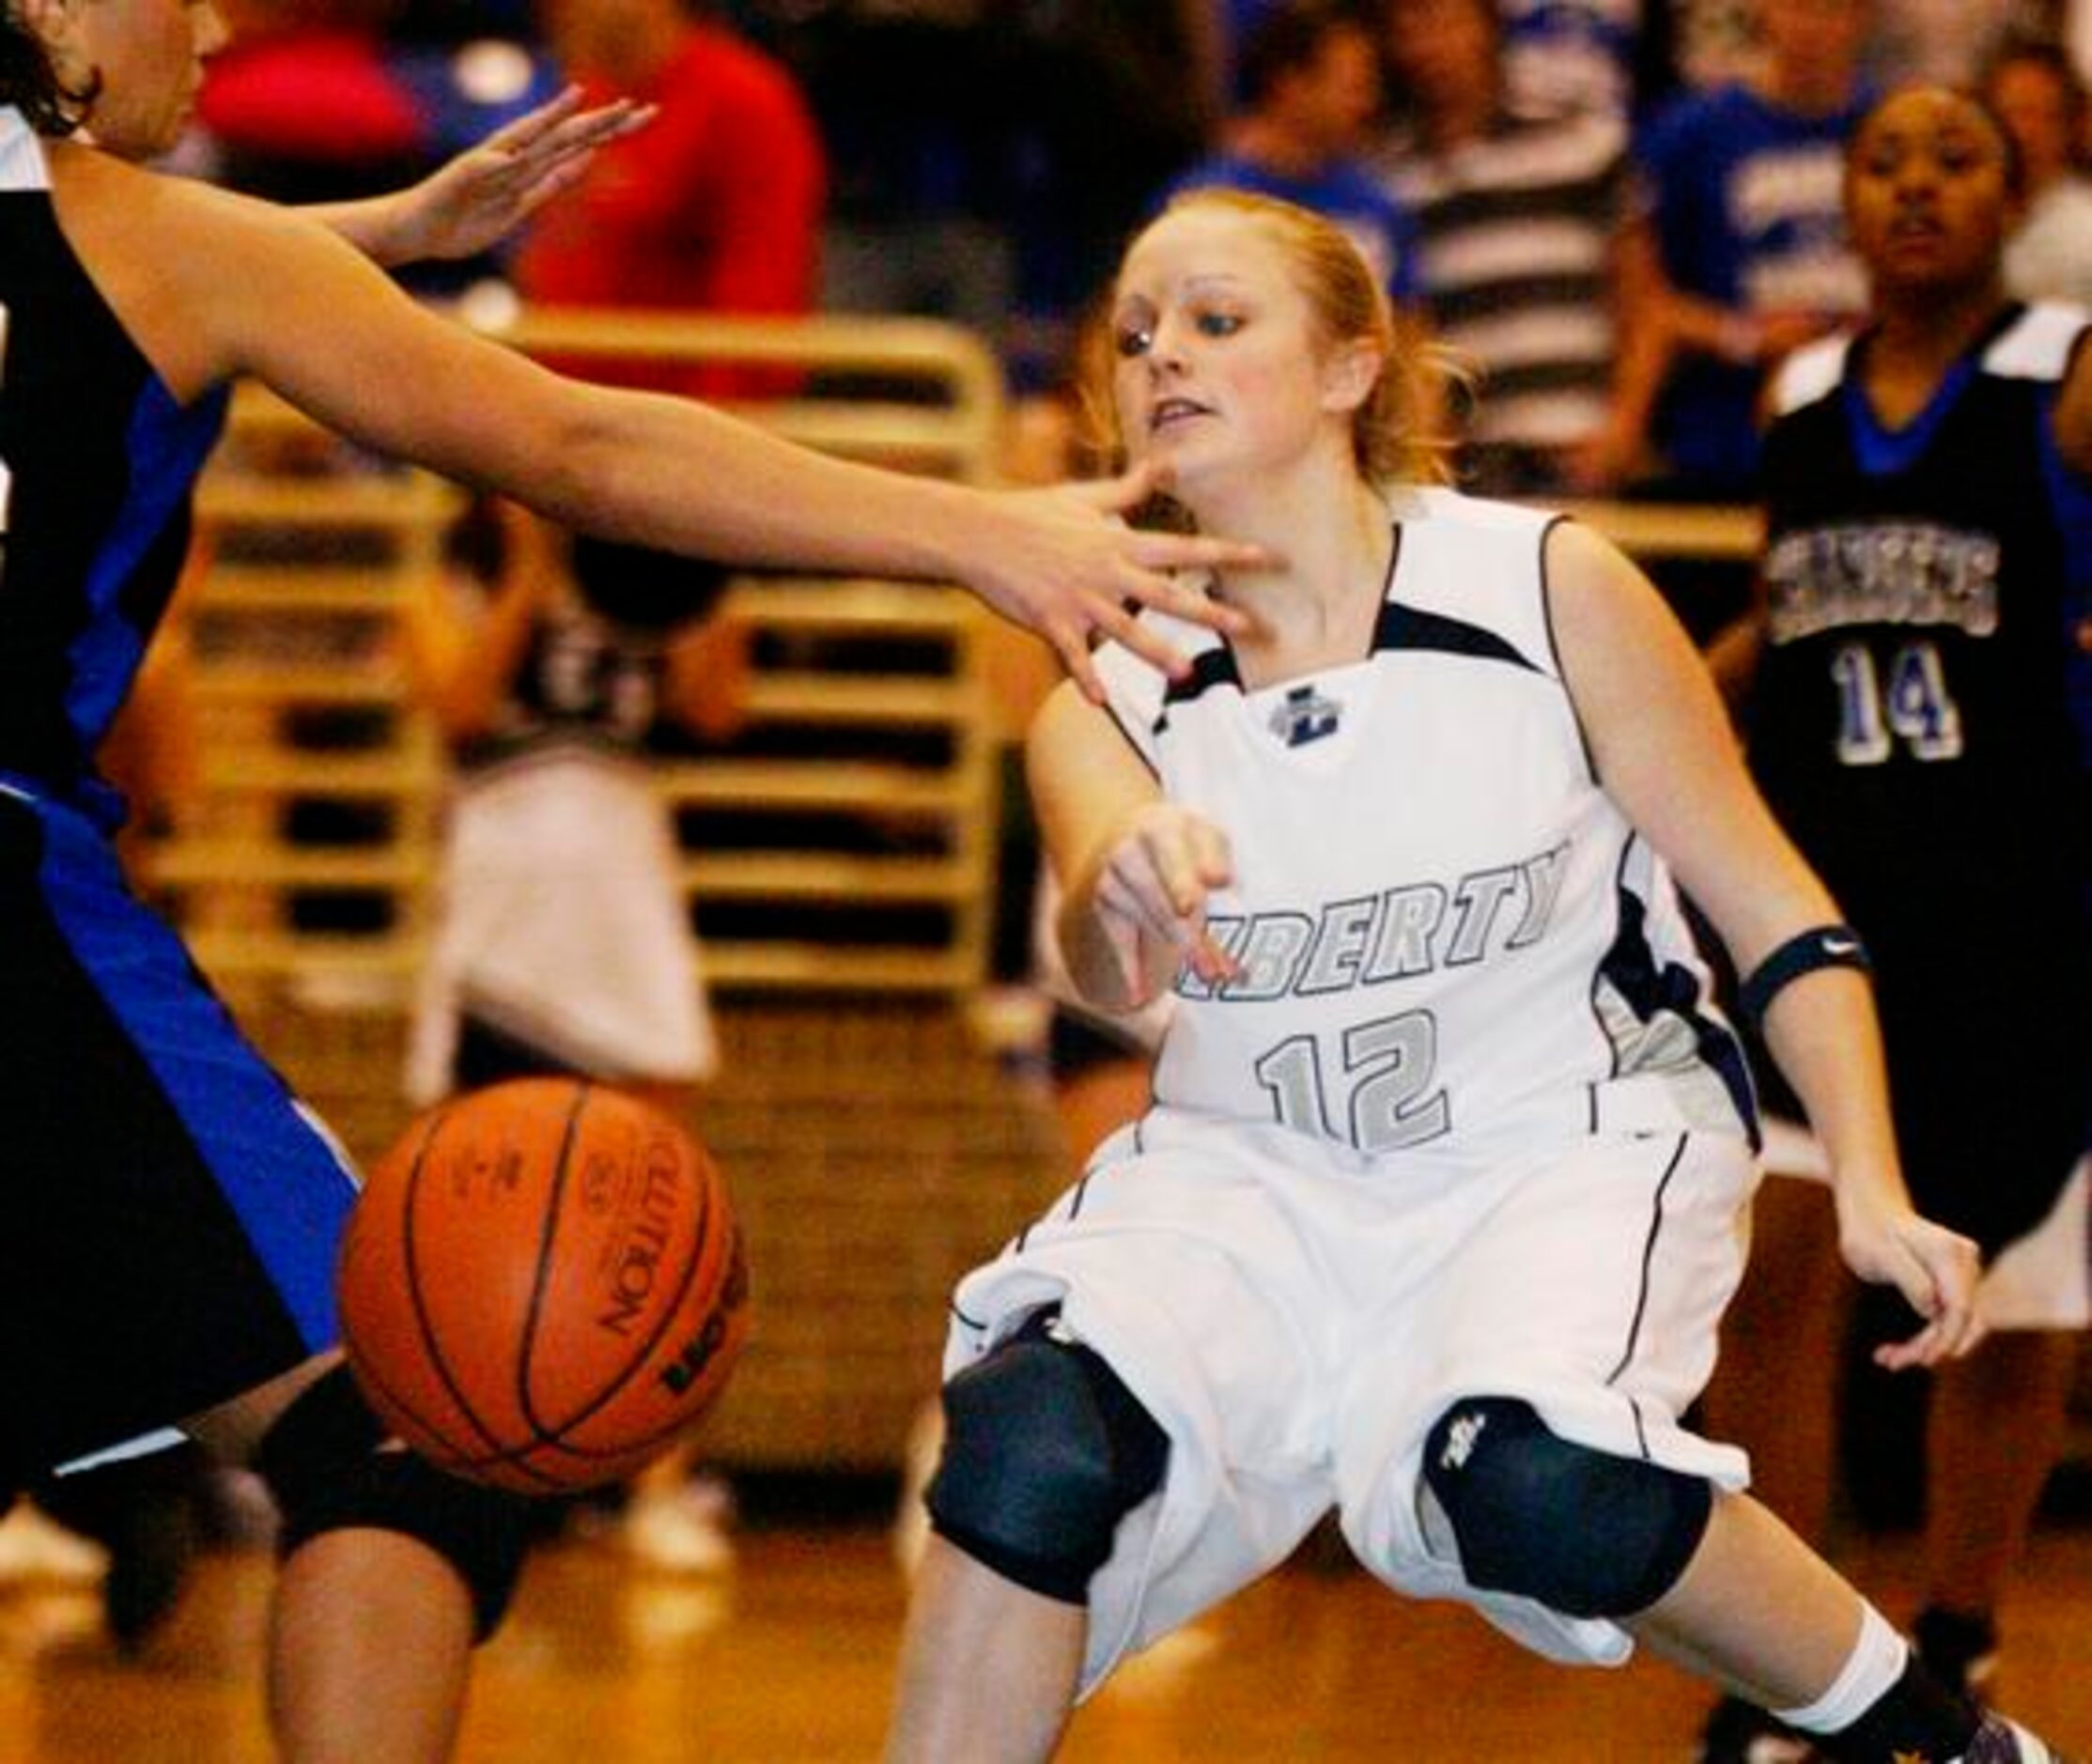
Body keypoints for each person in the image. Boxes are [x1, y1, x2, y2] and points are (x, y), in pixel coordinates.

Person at [0, 1, 1264, 1756]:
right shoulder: (155, 246)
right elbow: (579, 449)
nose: (216, 20)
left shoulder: (182, 245)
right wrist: (979, 528)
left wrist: (347, 245)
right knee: (401, 1437)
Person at [878, 184, 2079, 1764]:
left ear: (1350, 367)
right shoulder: (1103, 684)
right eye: (1131, 333)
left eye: (1215, 319)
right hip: (1258, 1174)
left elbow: (1770, 897)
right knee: (1026, 1441)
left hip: (1556, 1143)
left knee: (1535, 1482)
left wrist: (1864, 1174)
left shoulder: (1546, 584)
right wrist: (1119, 880)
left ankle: (1946, 1744)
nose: (1160, 350)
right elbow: (1100, 965)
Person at [1691, 83, 2091, 1764]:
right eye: (1886, 161)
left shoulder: (2058, 371)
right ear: (1841, 199)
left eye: (1956, 161)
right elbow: (1784, 619)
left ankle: (1958, 1633)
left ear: (2013, 199)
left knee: (2006, 1294)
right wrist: (1630, 725)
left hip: (2022, 906)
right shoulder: (1791, 391)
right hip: (1824, 897)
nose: (1917, 185)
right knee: (1769, 1269)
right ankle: (1787, 1657)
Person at [403, 501, 746, 1574]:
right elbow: (457, 707)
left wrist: (687, 580)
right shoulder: (438, 580)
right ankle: (457, 1458)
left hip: (624, 870)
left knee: (663, 1196)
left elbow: (714, 710)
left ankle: (654, 1483)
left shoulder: (642, 573)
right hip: (502, 881)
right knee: (460, 1191)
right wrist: (528, 572)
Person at [1593, 0, 1877, 499]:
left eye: (1832, 11)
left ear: (1864, 17)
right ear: (1764, 11)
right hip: (1719, 443)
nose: (1813, 28)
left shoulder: (1891, 129)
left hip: (1867, 434)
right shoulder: (1690, 134)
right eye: (1800, 10)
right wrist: (1744, 336)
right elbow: (1642, 296)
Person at [1372, 0, 1635, 496]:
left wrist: (1625, 422)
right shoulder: (1387, 176)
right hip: (1466, 461)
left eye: (1444, 21)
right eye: (1409, 30)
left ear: (1488, 27)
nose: (1430, 46)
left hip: (1578, 443)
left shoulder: (1581, 138)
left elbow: (1645, 299)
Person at [513, 0, 826, 402]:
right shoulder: (578, 94)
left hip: (666, 423)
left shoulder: (743, 101)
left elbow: (764, 297)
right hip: (560, 408)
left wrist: (712, 437)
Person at [1983, 33, 2092, 307]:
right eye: (2010, 112)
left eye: (2039, 115)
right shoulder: (1961, 220)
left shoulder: (2085, 231)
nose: (2021, 132)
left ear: (2069, 126)